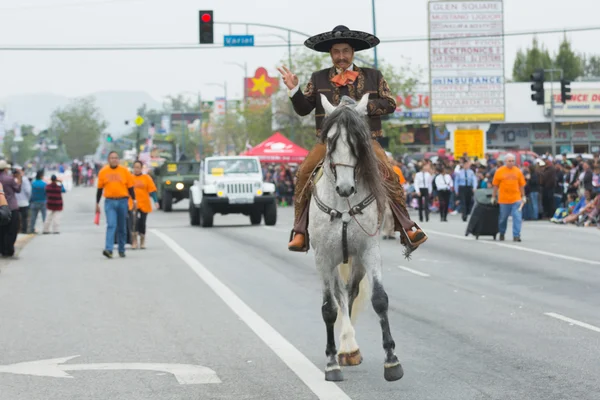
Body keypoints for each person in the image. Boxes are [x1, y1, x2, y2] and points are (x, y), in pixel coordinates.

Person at [277, 25, 427, 255]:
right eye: (336, 52)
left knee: (390, 173)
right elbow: (303, 109)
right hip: (328, 141)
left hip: (365, 140)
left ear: (353, 52)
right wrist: (294, 90)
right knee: (304, 173)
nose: (341, 56)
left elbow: (390, 103)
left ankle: (406, 226)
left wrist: (368, 107)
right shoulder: (318, 78)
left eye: (345, 51)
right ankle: (300, 230)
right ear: (330, 54)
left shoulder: (373, 76)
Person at [96, 151, 136, 258]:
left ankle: (121, 249)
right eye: (112, 158)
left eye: (116, 158)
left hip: (123, 201)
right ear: (109, 159)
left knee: (122, 227)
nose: (114, 159)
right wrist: (97, 203)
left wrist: (134, 200)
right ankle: (109, 249)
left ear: (119, 160)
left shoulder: (124, 171)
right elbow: (99, 189)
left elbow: (130, 187)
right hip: (109, 202)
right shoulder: (103, 171)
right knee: (111, 225)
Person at [492, 153, 526, 242]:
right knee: (503, 218)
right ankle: (502, 232)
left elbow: (521, 185)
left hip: (516, 198)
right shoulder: (499, 171)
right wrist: (493, 196)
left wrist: (523, 196)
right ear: (505, 161)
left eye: (513, 161)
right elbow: (495, 185)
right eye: (509, 161)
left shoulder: (518, 171)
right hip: (504, 199)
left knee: (517, 217)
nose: (511, 163)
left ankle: (516, 235)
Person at [130, 160, 158, 249]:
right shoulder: (130, 178)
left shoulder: (146, 178)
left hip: (144, 203)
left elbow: (152, 190)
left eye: (138, 167)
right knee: (134, 222)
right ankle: (134, 241)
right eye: (135, 167)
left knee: (142, 222)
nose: (136, 169)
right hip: (133, 203)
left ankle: (142, 241)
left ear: (141, 168)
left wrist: (156, 201)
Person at [0, 160, 22, 257]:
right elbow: (18, 189)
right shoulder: (9, 179)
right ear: (5, 169)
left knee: (1, 231)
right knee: (12, 230)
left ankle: (2, 249)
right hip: (11, 207)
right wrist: (19, 178)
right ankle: (9, 250)